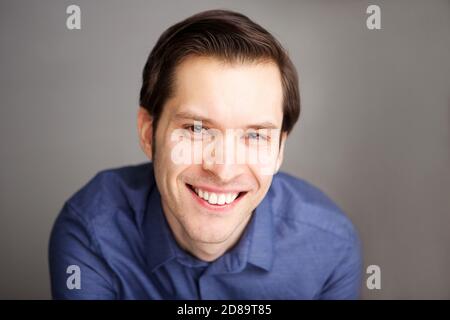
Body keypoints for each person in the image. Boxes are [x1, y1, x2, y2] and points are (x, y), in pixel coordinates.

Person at [49, 9, 362, 299]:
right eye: (197, 129)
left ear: (280, 149)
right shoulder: (91, 232)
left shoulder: (331, 247)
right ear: (148, 132)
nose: (224, 170)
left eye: (254, 135)